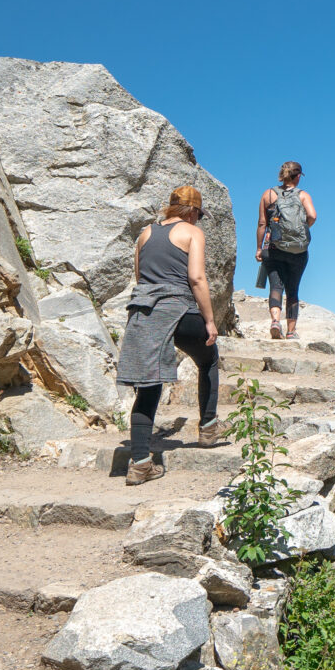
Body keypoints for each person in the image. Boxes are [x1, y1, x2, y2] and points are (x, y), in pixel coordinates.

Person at [118, 184, 221, 485]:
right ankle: (208, 427)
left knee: (148, 385)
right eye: (199, 214)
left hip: (146, 311)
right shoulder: (192, 233)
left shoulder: (146, 234)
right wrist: (210, 321)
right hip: (181, 311)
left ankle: (139, 464)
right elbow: (196, 278)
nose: (198, 220)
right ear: (192, 211)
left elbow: (141, 277)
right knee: (209, 359)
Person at [256, 161, 316, 340]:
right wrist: (302, 229)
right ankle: (291, 331)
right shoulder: (303, 195)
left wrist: (259, 248)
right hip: (298, 250)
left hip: (273, 247)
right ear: (298, 176)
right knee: (293, 289)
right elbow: (312, 216)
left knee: (276, 286)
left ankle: (275, 321)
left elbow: (261, 223)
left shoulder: (268, 194)